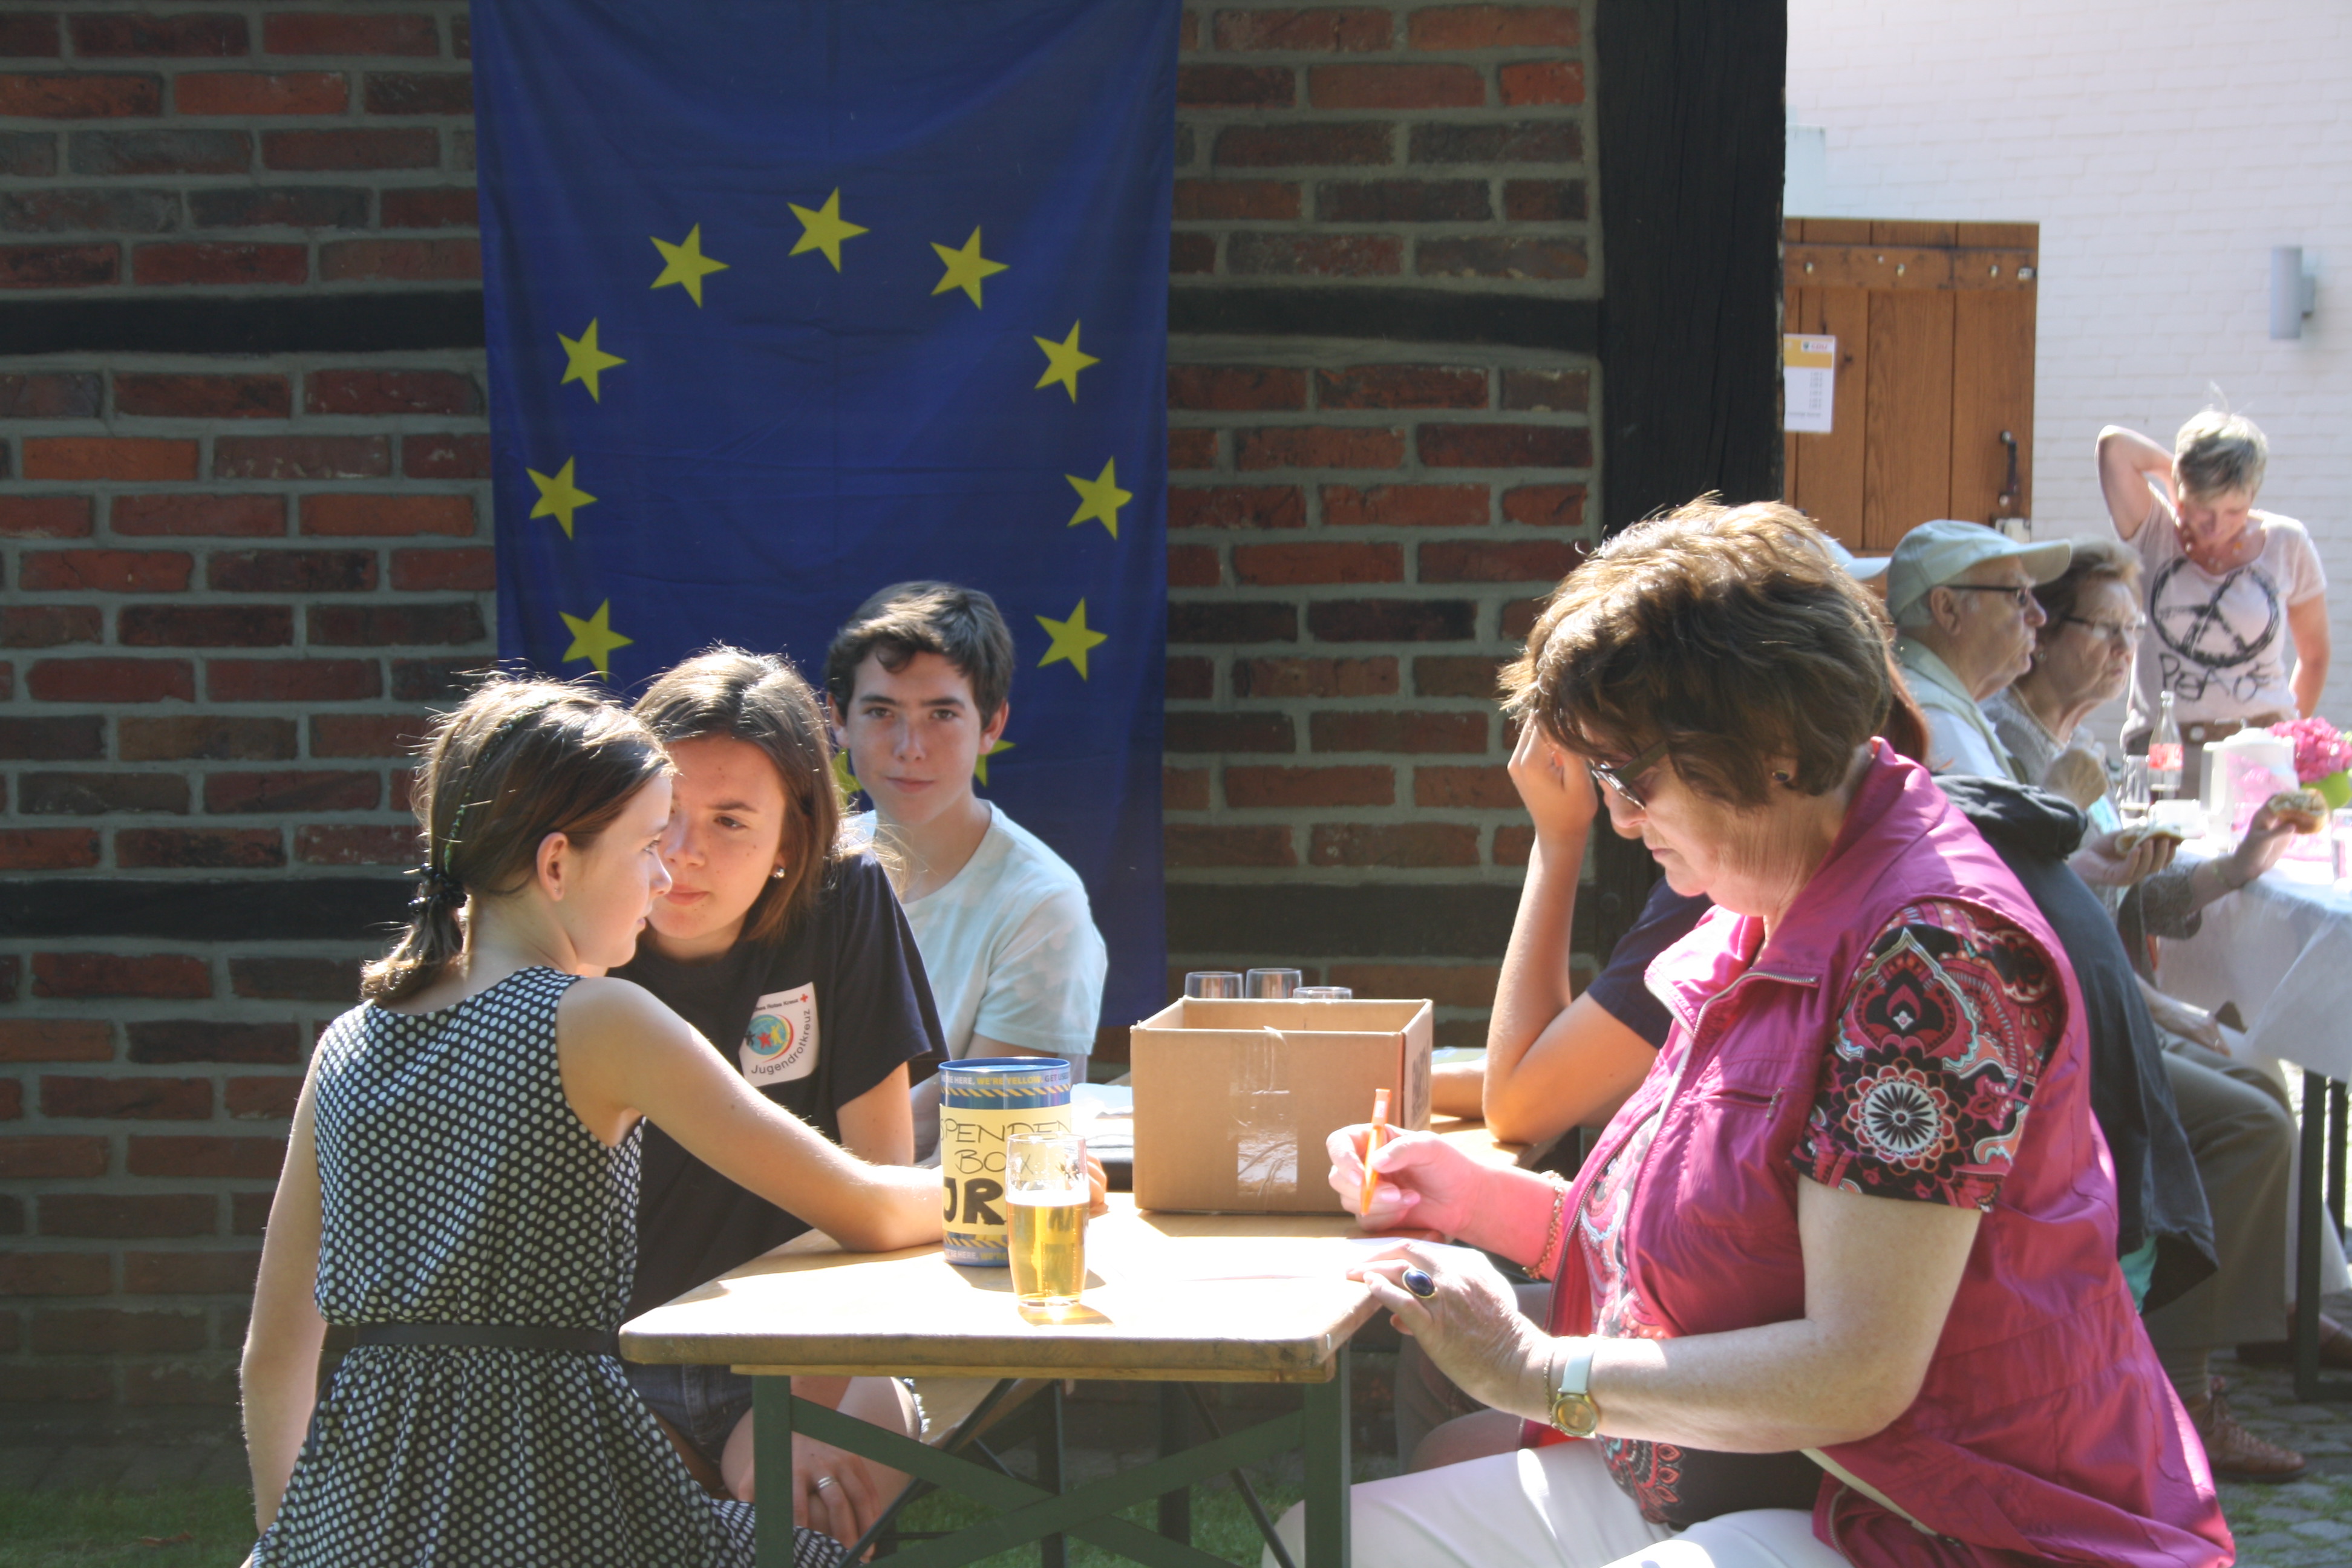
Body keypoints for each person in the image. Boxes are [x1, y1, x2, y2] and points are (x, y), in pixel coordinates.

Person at [1288, 501, 2227, 1568]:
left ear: (1771, 748)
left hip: (1969, 1525)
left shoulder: (1932, 956)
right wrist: (1470, 1200)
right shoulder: (1763, 905)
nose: (1619, 817)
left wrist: (1535, 1370)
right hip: (1807, 1483)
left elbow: (1857, 1370)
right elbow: (1713, 1240)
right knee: (1321, 1543)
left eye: (1631, 775)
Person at [240, 679, 943, 1568]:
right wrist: (1013, 1189)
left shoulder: (349, 1042)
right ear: (556, 866)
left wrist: (287, 1543)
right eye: (648, 845)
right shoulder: (599, 1018)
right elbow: (867, 1207)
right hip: (562, 1498)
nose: (664, 874)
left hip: (363, 1516)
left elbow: (272, 1358)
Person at [1986, 544, 2342, 1480]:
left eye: (2132, 632)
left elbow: (2128, 901)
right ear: (2039, 632)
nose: (2122, 650)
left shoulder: (2077, 747)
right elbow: (2047, 914)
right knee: (2255, 1123)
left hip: (2101, 1006)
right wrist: (2157, 1009)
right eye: (2104, 628)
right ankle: (2181, 1392)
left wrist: (2241, 863)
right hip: (2056, 1028)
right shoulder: (2009, 749)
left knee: (2259, 1076)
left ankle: (2278, 1314)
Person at [616, 648, 946, 1537]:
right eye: (663, 812)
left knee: (797, 1516)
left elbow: (881, 1189)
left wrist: (800, 1409)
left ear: (793, 840)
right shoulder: (582, 924)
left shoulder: (845, 898)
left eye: (730, 820)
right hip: (612, 1360)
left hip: (807, 1346)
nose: (681, 853)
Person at [823, 582, 1108, 1158]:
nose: (910, 747)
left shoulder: (1042, 905)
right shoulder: (813, 867)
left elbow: (986, 1145)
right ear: (838, 719)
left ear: (991, 726)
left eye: (942, 714)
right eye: (880, 712)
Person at [2098, 410, 2330, 775]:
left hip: (2259, 743)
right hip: (2165, 742)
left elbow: (2315, 656)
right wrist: (2174, 477)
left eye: (2234, 510)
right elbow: (2114, 448)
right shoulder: (2153, 532)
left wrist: (2288, 739)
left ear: (2253, 495)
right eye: (2204, 508)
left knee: (2264, 817)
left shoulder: (2287, 543)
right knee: (2163, 812)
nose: (2217, 526)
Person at [1886, 517, 2069, 782]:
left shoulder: (1932, 701)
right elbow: (1987, 811)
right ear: (1948, 608)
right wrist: (2065, 792)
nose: (2039, 616)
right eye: (2019, 596)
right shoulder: (1932, 717)